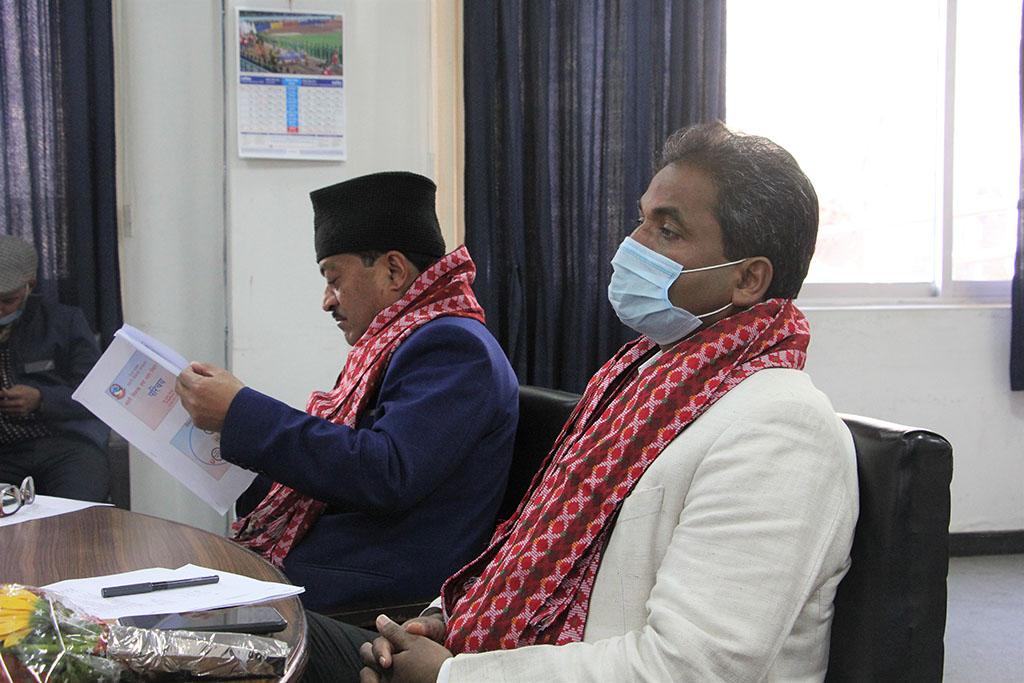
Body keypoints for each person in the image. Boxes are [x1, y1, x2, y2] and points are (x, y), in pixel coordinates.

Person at [303, 123, 860, 683]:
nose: (634, 244)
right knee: (271, 636)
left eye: (667, 230)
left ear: (748, 279)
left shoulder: (782, 431)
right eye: (642, 220)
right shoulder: (642, 381)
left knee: (278, 638)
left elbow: (689, 669)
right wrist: (442, 625)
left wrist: (452, 676)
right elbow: (527, 552)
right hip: (490, 659)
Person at [174, 172, 519, 615]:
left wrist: (239, 411)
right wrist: (228, 439)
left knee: (184, 609)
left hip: (388, 589)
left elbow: (384, 473)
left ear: (393, 270)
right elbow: (350, 461)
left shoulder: (453, 347)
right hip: (352, 559)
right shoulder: (400, 342)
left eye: (334, 279)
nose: (327, 300)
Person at [0, 235, 110, 502]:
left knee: (78, 513)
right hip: (4, 451)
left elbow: (99, 395)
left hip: (65, 445)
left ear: (30, 285)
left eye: (7, 300)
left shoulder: (64, 322)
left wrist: (41, 399)